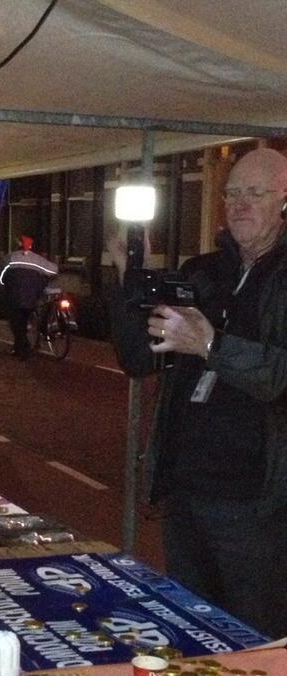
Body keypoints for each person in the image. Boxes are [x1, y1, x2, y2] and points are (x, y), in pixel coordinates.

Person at [107, 147, 287, 639]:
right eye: (232, 193)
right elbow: (140, 360)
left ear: (284, 202)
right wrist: (129, 279)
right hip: (187, 490)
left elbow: (278, 375)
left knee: (254, 637)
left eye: (255, 193)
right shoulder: (204, 271)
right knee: (193, 628)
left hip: (257, 502)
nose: (239, 204)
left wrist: (211, 345)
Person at [0, 235, 59, 359]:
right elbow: (53, 271)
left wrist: (5, 284)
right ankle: (23, 345)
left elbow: (2, 276)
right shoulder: (38, 259)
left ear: (18, 245)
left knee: (17, 322)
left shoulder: (10, 257)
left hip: (14, 295)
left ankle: (22, 349)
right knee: (27, 315)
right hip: (33, 295)